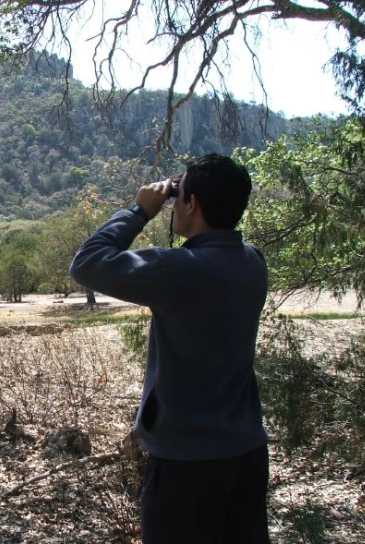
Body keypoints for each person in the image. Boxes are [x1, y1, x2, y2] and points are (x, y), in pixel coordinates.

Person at [69, 153, 270, 544]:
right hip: (247, 453)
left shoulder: (177, 269)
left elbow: (87, 263)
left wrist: (139, 211)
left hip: (186, 463)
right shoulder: (253, 263)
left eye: (178, 197)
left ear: (191, 203)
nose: (173, 206)